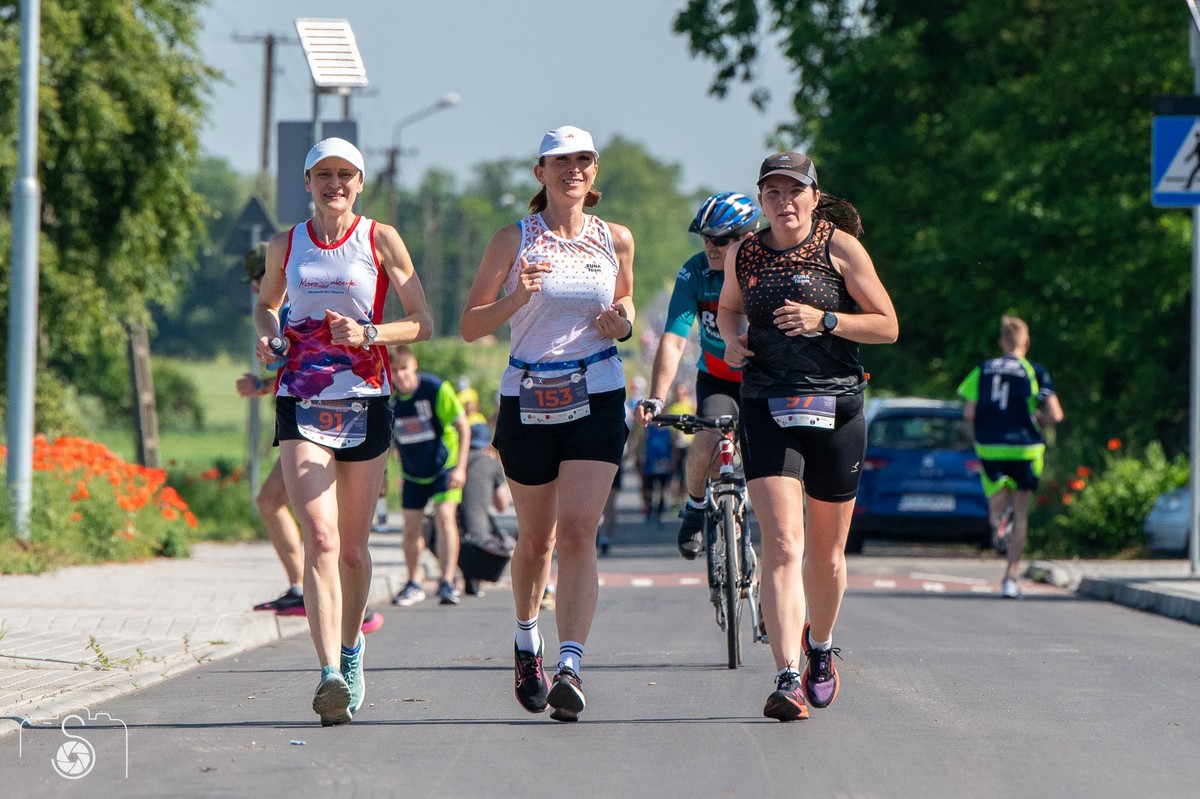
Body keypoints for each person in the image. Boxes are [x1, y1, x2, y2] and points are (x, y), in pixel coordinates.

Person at [254, 137, 433, 726]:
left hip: (366, 400)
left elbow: (423, 323)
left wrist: (371, 336)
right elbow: (267, 304)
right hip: (300, 399)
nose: (335, 184)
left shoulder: (379, 239)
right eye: (324, 174)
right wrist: (270, 335)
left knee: (354, 550)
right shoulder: (287, 244)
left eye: (346, 175)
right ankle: (328, 671)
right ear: (307, 181)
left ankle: (353, 652)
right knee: (322, 541)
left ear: (360, 184)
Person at [460, 125, 635, 723]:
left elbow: (626, 303)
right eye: (560, 162)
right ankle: (526, 637)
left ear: (594, 171)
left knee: (580, 528)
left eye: (583, 161)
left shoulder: (616, 238)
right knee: (538, 540)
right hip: (530, 394)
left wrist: (624, 324)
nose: (573, 171)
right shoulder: (513, 238)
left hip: (598, 391)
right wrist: (517, 297)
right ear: (540, 172)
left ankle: (571, 665)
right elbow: (470, 325)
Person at [716, 152, 898, 722]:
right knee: (783, 544)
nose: (783, 201)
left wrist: (826, 320)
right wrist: (733, 340)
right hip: (767, 401)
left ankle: (820, 648)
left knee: (826, 554)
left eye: (794, 191)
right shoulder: (745, 252)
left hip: (836, 404)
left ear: (814, 196)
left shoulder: (838, 246)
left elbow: (888, 325)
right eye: (772, 192)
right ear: (762, 199)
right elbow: (727, 310)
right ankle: (787, 676)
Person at [239, 243, 383, 635]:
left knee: (323, 527)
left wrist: (263, 382)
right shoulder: (283, 307)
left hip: (346, 411)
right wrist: (265, 379)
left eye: (255, 281)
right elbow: (301, 366)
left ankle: (345, 607)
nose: (256, 289)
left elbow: (324, 366)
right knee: (308, 522)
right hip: (302, 414)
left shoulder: (297, 303)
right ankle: (305, 589)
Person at [634, 192, 761, 559]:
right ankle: (693, 505)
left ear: (747, 237)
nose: (710, 246)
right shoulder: (694, 272)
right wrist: (657, 398)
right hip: (719, 378)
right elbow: (674, 340)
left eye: (720, 239)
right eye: (705, 237)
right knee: (705, 441)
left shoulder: (766, 269)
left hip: (764, 381)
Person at [956, 315, 1064, 599]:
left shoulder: (984, 369)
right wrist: (1039, 417)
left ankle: (998, 517)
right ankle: (1010, 578)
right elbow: (1056, 415)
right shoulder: (1035, 371)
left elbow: (968, 412)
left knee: (997, 498)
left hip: (990, 445)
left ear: (1002, 342)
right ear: (1026, 341)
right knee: (1022, 513)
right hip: (1026, 448)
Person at [388, 345, 471, 608]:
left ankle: (447, 580)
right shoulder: (389, 401)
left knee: (445, 517)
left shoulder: (434, 388)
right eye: (394, 371)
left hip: (443, 466)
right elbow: (388, 442)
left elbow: (463, 426)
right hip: (413, 472)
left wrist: (460, 468)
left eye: (403, 369)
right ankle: (414, 582)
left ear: (414, 365)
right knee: (411, 528)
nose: (400, 376)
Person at [458, 423, 512, 597]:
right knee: (509, 540)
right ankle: (477, 577)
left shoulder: (454, 460)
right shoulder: (491, 463)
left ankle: (452, 578)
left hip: (446, 532)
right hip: (478, 541)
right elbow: (502, 505)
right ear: (487, 444)